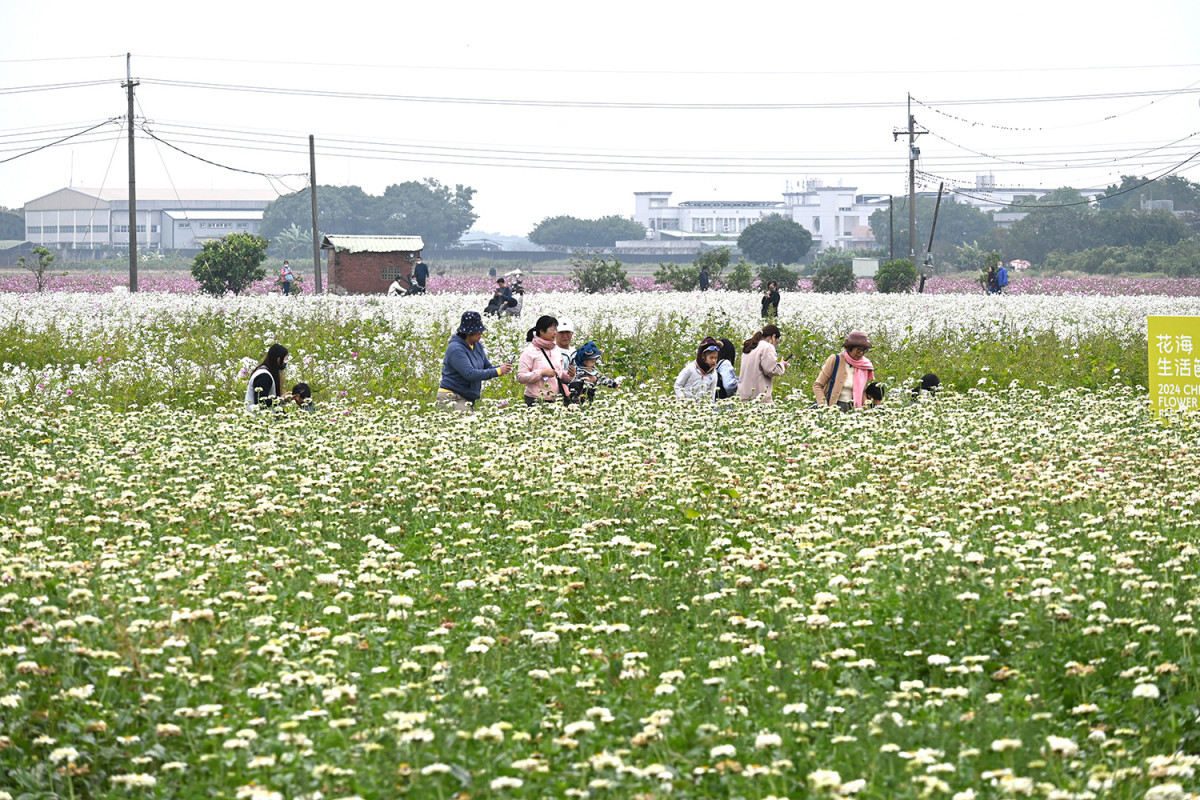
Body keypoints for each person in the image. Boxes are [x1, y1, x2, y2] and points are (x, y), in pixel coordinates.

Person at [438, 312, 512, 412]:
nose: (481, 334)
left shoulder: (477, 345)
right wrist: (498, 371)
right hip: (452, 396)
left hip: (467, 397)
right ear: (469, 333)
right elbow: (470, 374)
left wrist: (502, 367)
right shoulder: (456, 349)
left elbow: (487, 367)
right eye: (478, 332)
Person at [517, 315, 575, 406]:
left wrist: (569, 375)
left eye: (556, 330)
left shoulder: (556, 350)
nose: (555, 333)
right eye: (552, 330)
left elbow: (559, 374)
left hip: (556, 399)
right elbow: (521, 377)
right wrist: (541, 373)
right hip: (535, 399)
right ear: (541, 331)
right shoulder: (529, 352)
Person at [813, 330, 875, 411]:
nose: (861, 353)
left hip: (854, 409)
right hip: (834, 407)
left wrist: (866, 410)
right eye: (859, 350)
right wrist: (824, 407)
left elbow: (862, 391)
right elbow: (817, 385)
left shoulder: (864, 365)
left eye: (864, 350)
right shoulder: (836, 359)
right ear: (850, 348)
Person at [737, 325, 787, 402]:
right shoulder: (767, 347)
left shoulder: (750, 346)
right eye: (776, 342)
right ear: (773, 337)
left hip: (743, 395)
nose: (775, 345)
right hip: (759, 397)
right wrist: (782, 365)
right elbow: (770, 370)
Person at [245, 343, 290, 412]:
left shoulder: (266, 372)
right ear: (278, 359)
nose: (285, 363)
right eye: (284, 360)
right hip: (257, 419)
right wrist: (282, 399)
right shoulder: (263, 376)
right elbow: (261, 402)